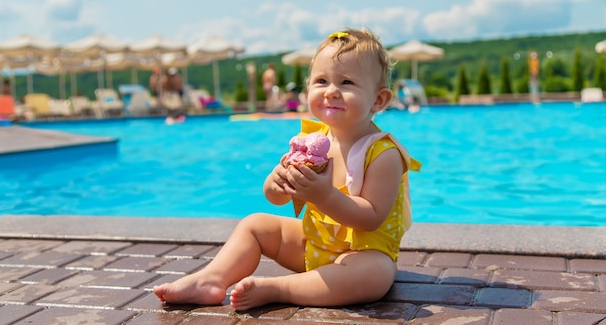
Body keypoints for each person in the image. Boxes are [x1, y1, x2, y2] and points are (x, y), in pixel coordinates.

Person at [153, 28, 421, 311]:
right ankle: (211, 279)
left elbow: (371, 218)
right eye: (321, 81)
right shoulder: (311, 141)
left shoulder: (383, 154)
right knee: (255, 224)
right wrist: (276, 181)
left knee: (374, 277)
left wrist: (325, 196)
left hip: (361, 255)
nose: (331, 91)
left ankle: (277, 288)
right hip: (313, 245)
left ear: (379, 100)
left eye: (346, 82)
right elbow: (276, 198)